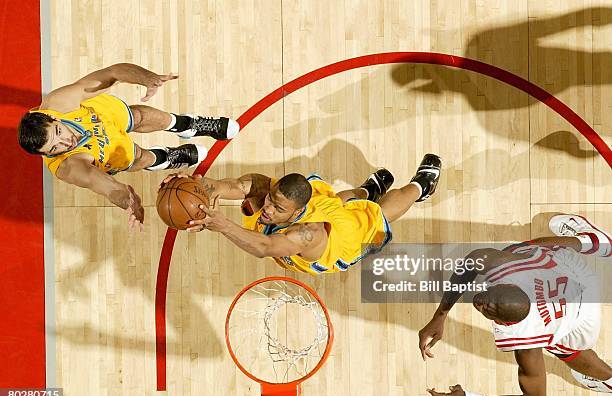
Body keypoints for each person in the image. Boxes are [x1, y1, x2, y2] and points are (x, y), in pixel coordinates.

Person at [419, 214, 612, 396]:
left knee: (562, 348)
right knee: (527, 249)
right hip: (574, 274)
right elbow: (472, 262)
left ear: (504, 323)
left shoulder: (526, 340)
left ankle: (609, 380)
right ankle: (597, 242)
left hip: (580, 320)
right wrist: (440, 316)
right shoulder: (508, 268)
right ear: (509, 284)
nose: (479, 301)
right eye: (489, 294)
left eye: (489, 309)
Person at [17, 63, 239, 228]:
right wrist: (129, 201)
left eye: (59, 132)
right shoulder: (69, 167)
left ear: (53, 119)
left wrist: (146, 77)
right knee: (139, 158)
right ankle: (166, 157)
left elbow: (112, 73)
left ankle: (187, 124)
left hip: (102, 114)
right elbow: (106, 186)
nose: (66, 142)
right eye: (55, 148)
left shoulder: (59, 103)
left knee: (141, 116)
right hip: (106, 151)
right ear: (46, 155)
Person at [164, 154, 442, 275]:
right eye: (271, 200)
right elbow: (229, 186)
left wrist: (221, 224)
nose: (268, 209)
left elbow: (265, 247)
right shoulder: (271, 191)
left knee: (378, 214)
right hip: (322, 205)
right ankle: (367, 188)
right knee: (337, 199)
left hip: (341, 240)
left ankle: (420, 186)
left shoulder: (305, 234)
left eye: (277, 208)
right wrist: (194, 184)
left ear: (297, 212)